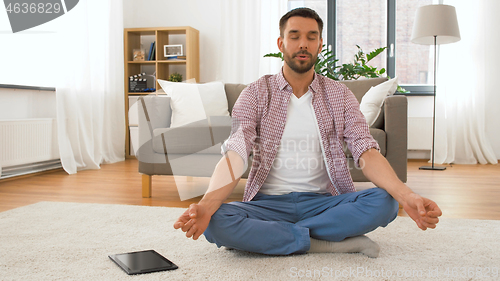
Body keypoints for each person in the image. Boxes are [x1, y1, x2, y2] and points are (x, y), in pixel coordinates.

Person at [174, 7, 442, 258]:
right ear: (281, 44)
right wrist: (206, 206)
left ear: (320, 45)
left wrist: (407, 196)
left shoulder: (340, 95)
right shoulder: (255, 94)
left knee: (386, 202)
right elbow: (236, 153)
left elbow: (366, 151)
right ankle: (324, 242)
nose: (303, 43)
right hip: (268, 205)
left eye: (311, 37)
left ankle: (276, 239)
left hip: (323, 203)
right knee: (216, 221)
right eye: (295, 36)